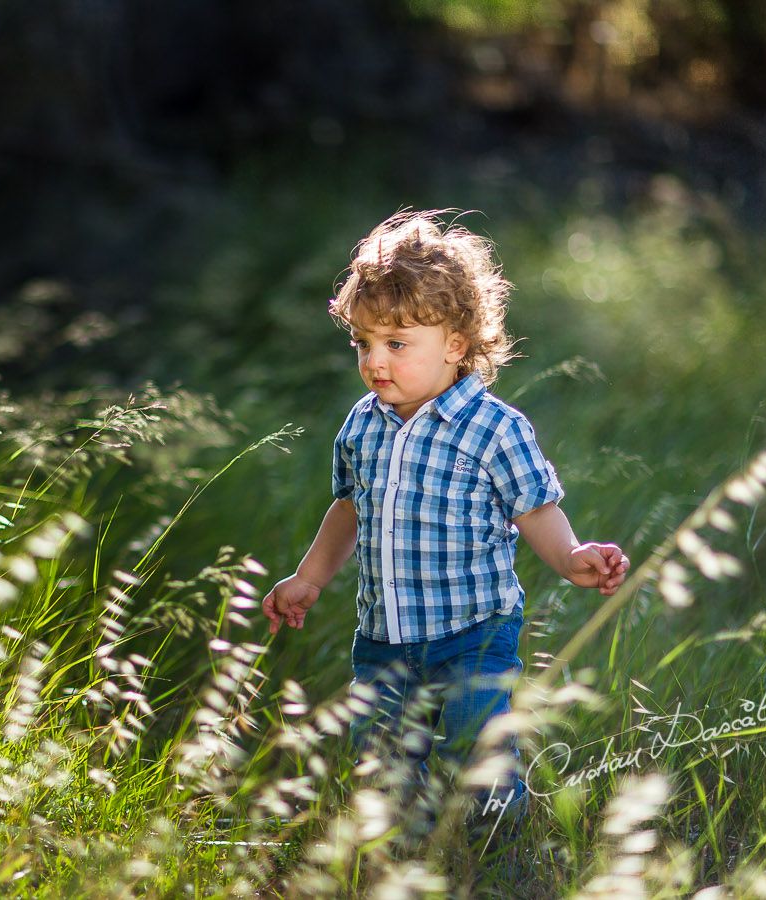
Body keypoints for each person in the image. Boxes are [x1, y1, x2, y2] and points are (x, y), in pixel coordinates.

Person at [261, 209, 629, 840]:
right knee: (382, 754)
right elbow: (348, 508)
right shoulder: (364, 423)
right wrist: (309, 577)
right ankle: (398, 847)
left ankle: (493, 850)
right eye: (363, 342)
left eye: (396, 344)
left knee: (474, 747)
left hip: (472, 630)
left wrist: (571, 557)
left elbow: (535, 508)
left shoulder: (493, 428)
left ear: (456, 344)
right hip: (383, 634)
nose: (376, 361)